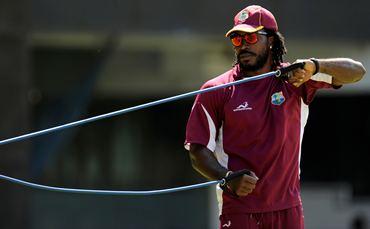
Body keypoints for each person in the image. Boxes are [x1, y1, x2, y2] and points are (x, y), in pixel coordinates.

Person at [184, 5, 366, 229]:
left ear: (270, 40)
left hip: (288, 208)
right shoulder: (217, 89)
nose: (242, 46)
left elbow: (357, 72)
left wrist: (315, 66)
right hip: (240, 210)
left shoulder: (297, 77)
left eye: (250, 38)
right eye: (237, 40)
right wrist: (228, 177)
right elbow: (197, 151)